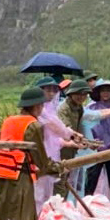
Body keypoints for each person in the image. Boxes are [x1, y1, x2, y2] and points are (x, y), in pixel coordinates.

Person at [0, 87, 64, 220]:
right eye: (41, 105)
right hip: (19, 175)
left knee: (4, 212)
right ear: (36, 106)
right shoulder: (33, 125)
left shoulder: (9, 121)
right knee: (21, 215)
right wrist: (57, 167)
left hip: (3, 173)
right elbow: (41, 159)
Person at [33, 76, 83, 212]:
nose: (51, 93)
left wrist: (70, 143)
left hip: (51, 155)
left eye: (54, 90)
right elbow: (55, 125)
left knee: (48, 193)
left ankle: (46, 219)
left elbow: (53, 139)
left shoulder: (50, 108)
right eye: (48, 90)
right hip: (39, 155)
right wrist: (72, 134)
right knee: (38, 193)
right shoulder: (38, 109)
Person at [56, 79, 92, 195]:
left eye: (84, 95)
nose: (81, 97)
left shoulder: (79, 108)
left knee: (67, 177)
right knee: (60, 178)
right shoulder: (63, 108)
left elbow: (79, 127)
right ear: (71, 94)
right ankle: (58, 204)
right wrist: (77, 139)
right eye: (78, 94)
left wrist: (85, 141)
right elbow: (65, 128)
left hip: (72, 146)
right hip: (61, 146)